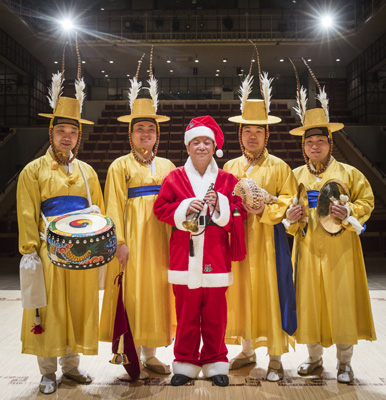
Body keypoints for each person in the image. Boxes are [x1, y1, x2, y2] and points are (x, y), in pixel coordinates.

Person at [17, 74, 104, 394]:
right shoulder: (33, 170)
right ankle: (46, 372)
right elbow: (27, 210)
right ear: (50, 134)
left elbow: (99, 211)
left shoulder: (88, 171)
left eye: (72, 132)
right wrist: (30, 251)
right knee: (48, 310)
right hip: (48, 251)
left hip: (80, 252)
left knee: (77, 307)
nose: (66, 137)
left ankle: (72, 367)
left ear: (78, 137)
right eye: (60, 131)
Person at [286, 83, 376, 383]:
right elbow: (287, 206)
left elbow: (366, 202)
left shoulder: (350, 173)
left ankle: (345, 362)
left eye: (320, 141)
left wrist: (349, 214)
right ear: (304, 145)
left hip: (342, 250)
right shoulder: (295, 175)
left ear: (330, 143)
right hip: (308, 247)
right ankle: (313, 359)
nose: (314, 146)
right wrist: (291, 216)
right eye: (309, 141)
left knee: (342, 302)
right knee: (309, 302)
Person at [154, 115, 246, 387]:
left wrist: (220, 205)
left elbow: (236, 219)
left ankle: (216, 360)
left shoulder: (229, 180)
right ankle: (185, 362)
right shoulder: (174, 177)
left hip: (217, 255)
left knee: (216, 314)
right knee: (186, 314)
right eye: (196, 142)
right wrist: (184, 208)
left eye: (207, 141)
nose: (202, 146)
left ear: (215, 145)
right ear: (188, 147)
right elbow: (160, 209)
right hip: (184, 256)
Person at [99, 95, 175, 379]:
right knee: (133, 294)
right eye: (140, 129)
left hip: (161, 240)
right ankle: (132, 351)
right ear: (130, 134)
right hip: (132, 241)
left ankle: (151, 354)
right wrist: (119, 242)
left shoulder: (168, 166)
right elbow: (113, 206)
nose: (146, 134)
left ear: (157, 135)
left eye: (151, 129)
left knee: (157, 292)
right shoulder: (120, 166)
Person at [224, 92, 297, 381]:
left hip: (268, 240)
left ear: (266, 136)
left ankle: (276, 357)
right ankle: (247, 349)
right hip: (238, 242)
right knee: (241, 293)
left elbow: (289, 202)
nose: (252, 136)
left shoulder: (280, 167)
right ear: (240, 135)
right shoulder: (230, 167)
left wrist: (265, 204)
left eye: (258, 131)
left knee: (271, 292)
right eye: (247, 131)